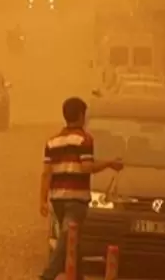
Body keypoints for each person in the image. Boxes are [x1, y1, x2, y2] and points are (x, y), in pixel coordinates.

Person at [38, 96, 124, 280]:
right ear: (81, 115)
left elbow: (46, 173)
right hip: (76, 200)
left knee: (72, 242)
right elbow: (87, 167)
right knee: (67, 240)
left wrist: (42, 200)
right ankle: (47, 276)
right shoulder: (84, 140)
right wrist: (109, 164)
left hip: (57, 199)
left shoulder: (52, 141)